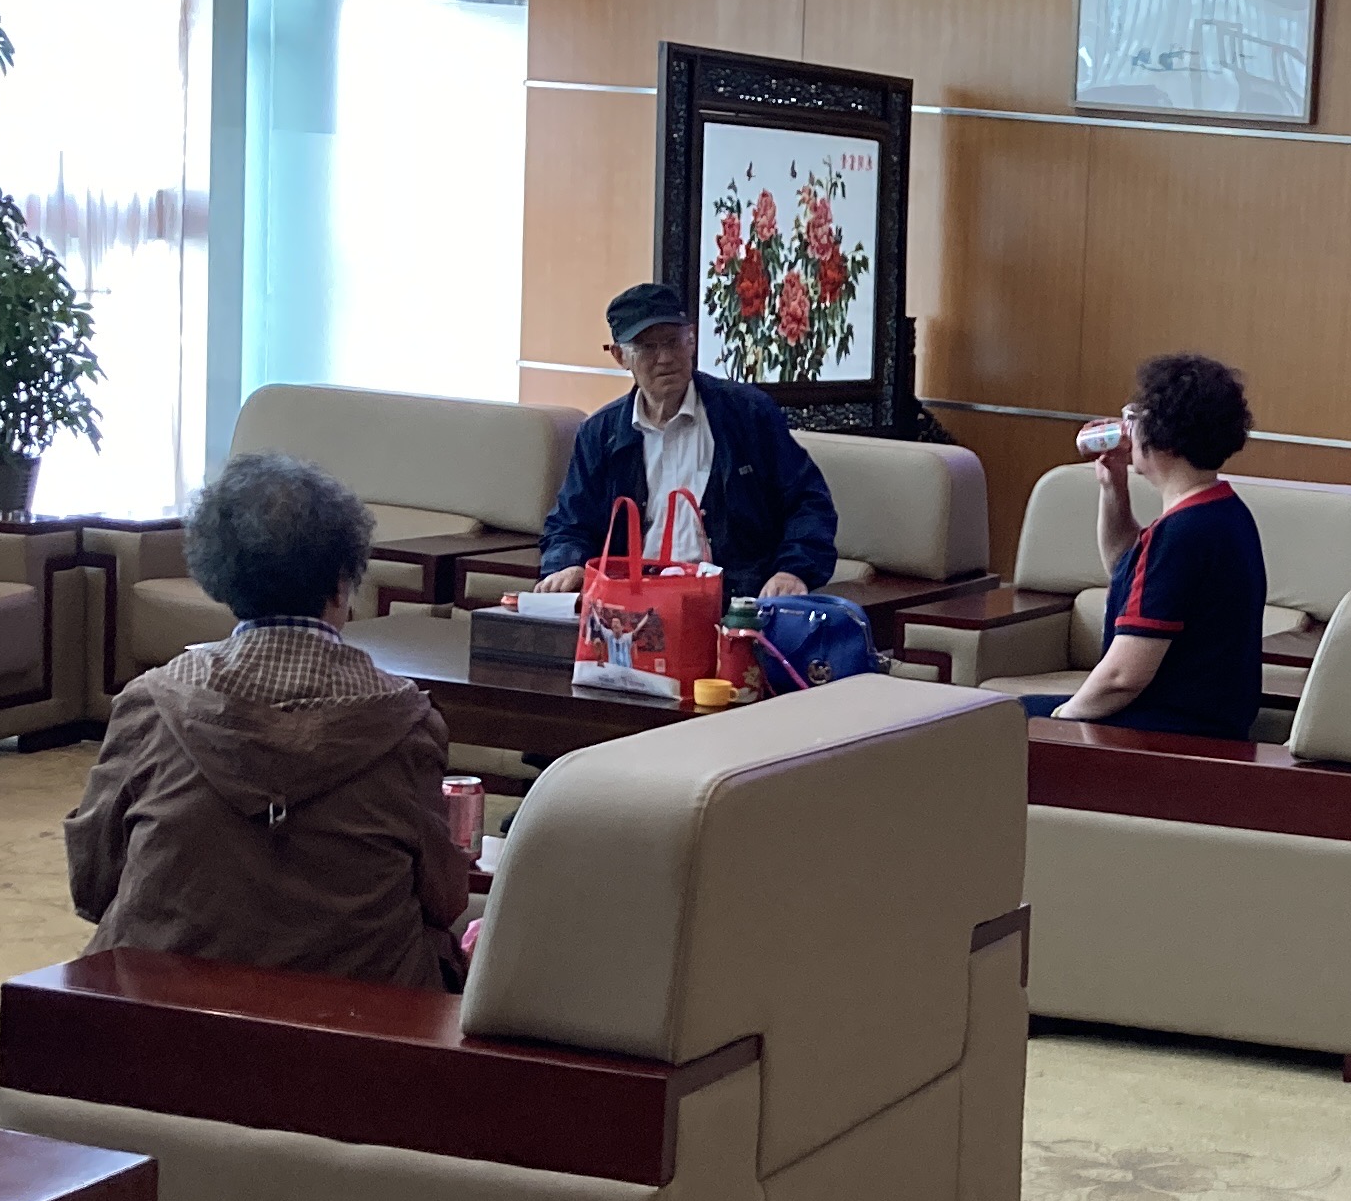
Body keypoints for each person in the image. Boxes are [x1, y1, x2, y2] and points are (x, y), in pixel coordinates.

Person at [64, 451, 472, 991]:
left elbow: (93, 883)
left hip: (162, 1006)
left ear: (223, 581)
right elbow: (444, 899)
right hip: (354, 1016)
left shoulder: (151, 703)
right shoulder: (406, 719)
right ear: (342, 584)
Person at [534, 280, 837, 607]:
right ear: (621, 356)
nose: (665, 358)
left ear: (691, 341)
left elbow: (807, 501)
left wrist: (792, 571)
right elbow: (571, 523)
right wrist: (568, 564)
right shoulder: (600, 433)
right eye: (648, 347)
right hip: (629, 603)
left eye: (673, 342)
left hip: (732, 602)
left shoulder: (747, 415)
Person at [1046, 352, 1266, 739]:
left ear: (1165, 438)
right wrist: (1113, 488)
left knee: (995, 724)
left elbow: (1122, 678)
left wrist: (1057, 721)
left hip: (1165, 733)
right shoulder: (1224, 512)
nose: (1128, 427)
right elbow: (1125, 568)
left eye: (1135, 417)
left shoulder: (1182, 534)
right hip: (1205, 726)